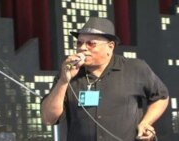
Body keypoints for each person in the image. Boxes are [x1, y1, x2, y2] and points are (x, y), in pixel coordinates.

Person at [41, 17, 169, 141]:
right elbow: (49, 118)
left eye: (91, 44)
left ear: (110, 46)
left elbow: (161, 97)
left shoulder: (135, 68)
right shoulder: (67, 73)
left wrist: (146, 122)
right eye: (79, 43)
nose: (83, 48)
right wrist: (63, 81)